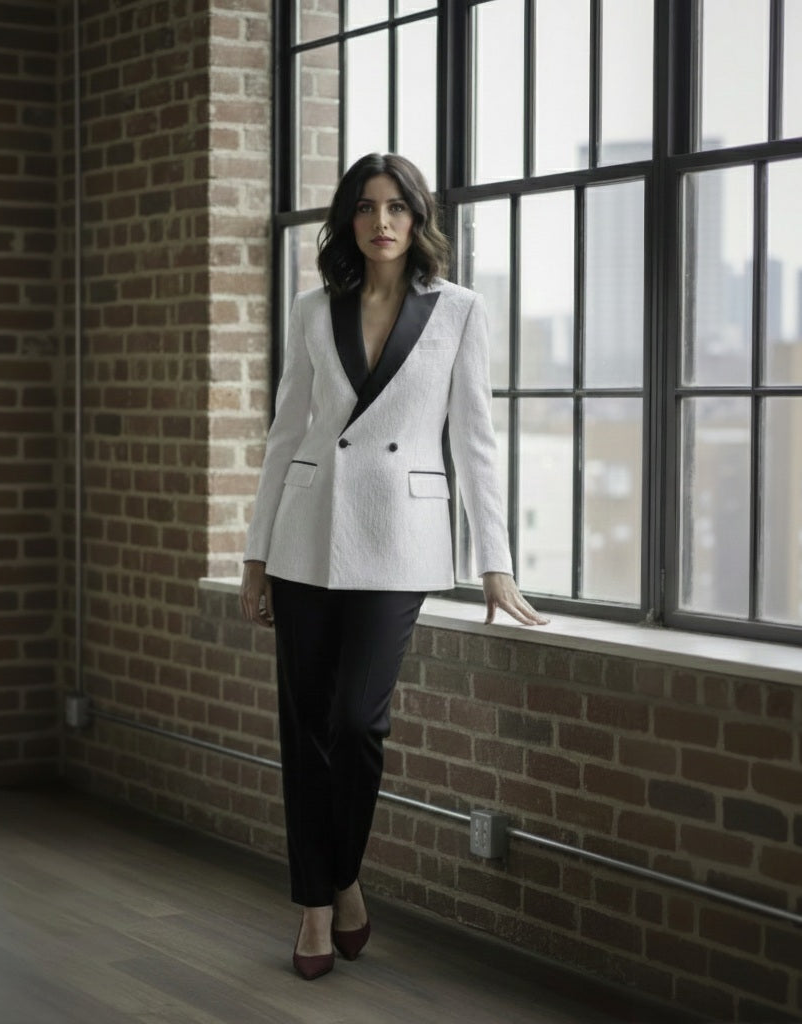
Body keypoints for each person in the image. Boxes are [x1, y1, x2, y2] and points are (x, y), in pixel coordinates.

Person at [240, 153, 548, 980]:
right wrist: (255, 555)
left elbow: (475, 442)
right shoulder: (314, 307)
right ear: (348, 220)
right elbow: (283, 434)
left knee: (356, 722)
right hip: (307, 532)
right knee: (303, 728)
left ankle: (341, 876)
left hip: (398, 539)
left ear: (418, 219)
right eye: (367, 208)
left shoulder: (458, 311)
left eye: (398, 208)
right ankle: (318, 902)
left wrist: (496, 563)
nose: (382, 222)